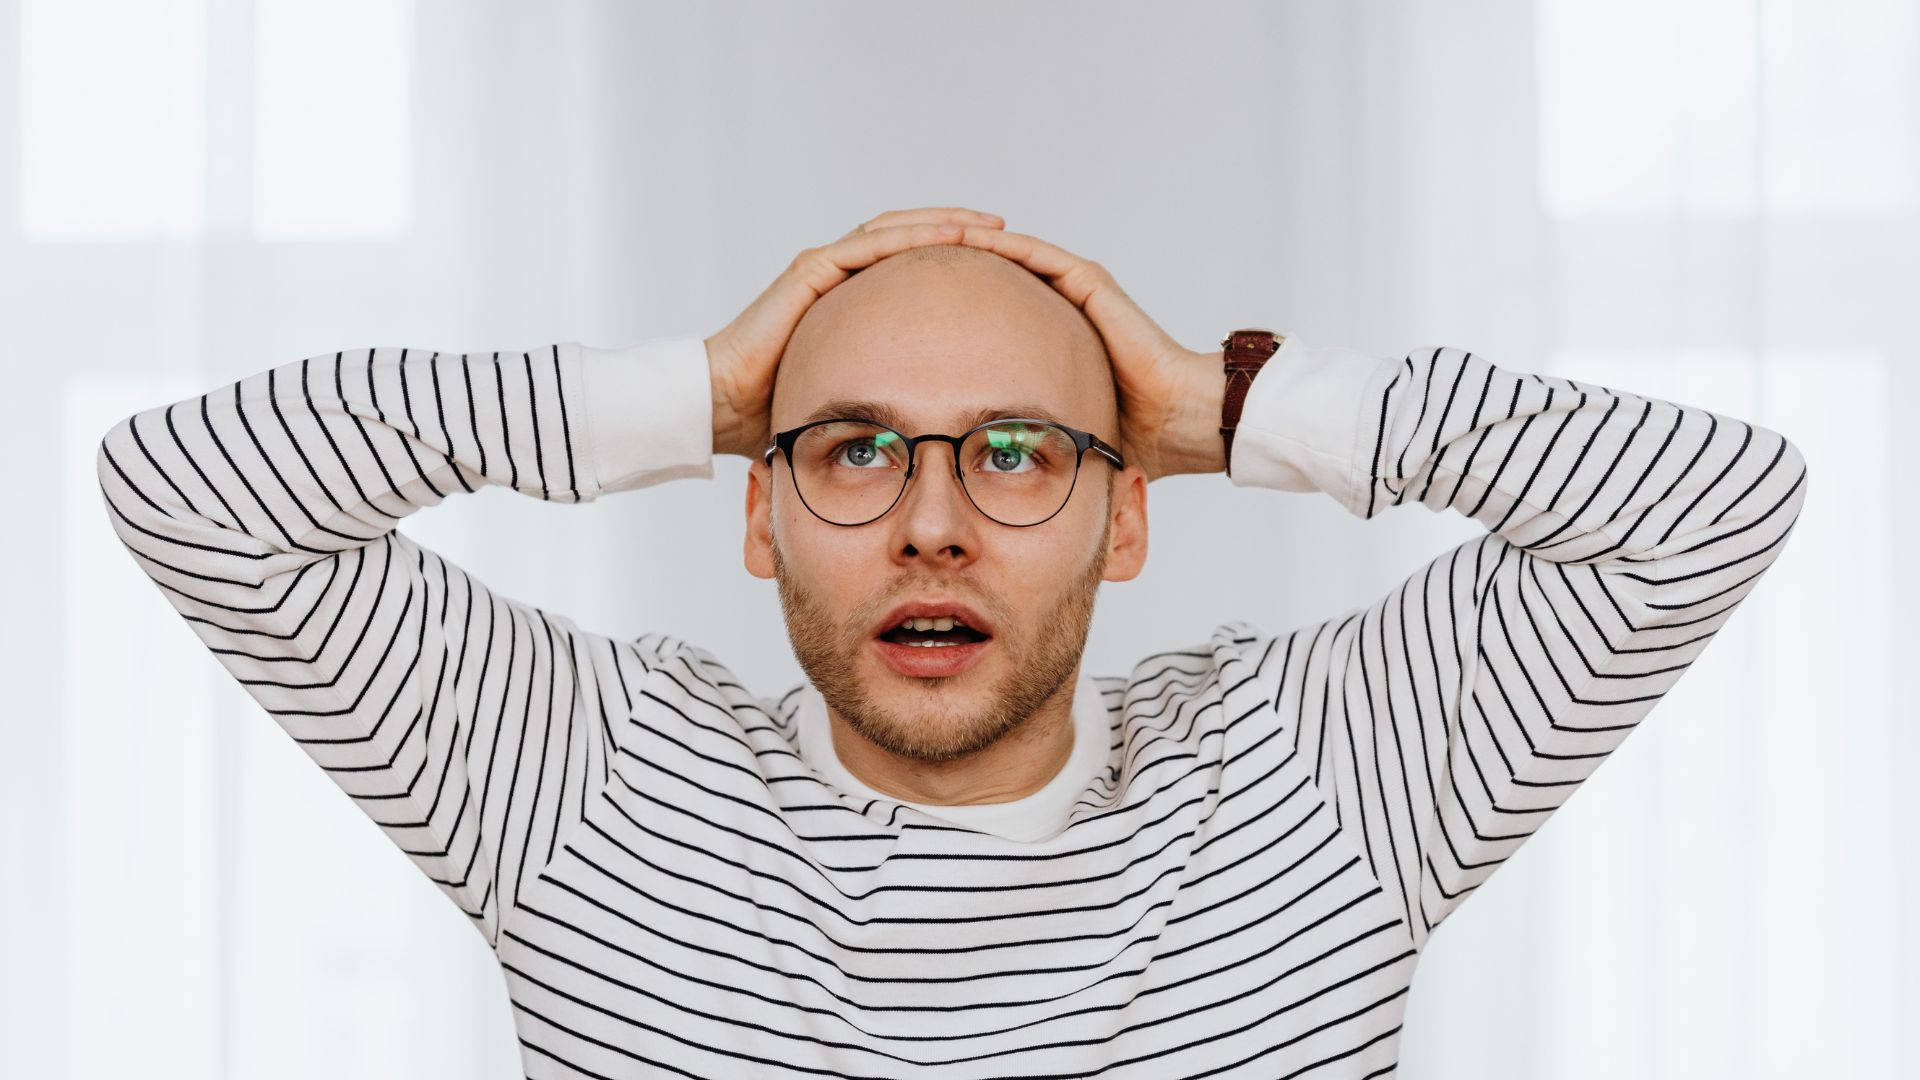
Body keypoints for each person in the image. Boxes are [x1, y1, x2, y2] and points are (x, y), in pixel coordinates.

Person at [95, 205, 1807, 1078]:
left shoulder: (1322, 776)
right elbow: (186, 490)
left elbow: (1716, 502)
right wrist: (692, 392)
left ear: (1128, 515)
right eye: (852, 448)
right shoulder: (596, 786)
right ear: (756, 513)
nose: (933, 522)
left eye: (1017, 451)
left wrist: (1219, 402)